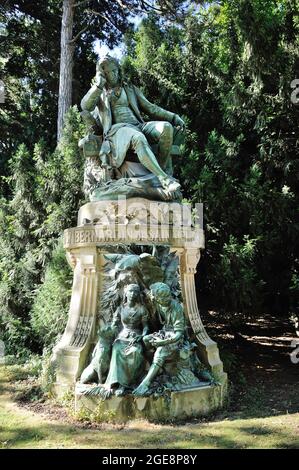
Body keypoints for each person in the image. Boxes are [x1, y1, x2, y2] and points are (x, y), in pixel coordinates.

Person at [81, 55, 185, 195]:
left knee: (166, 128)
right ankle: (164, 180)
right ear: (102, 74)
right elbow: (85, 106)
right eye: (107, 72)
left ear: (119, 70)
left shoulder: (129, 88)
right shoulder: (100, 93)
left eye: (114, 70)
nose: (113, 75)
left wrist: (173, 117)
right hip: (118, 130)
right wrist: (98, 84)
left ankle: (158, 171)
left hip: (138, 125)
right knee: (138, 138)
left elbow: (151, 108)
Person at [133, 282, 185, 396]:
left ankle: (145, 383)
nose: (167, 299)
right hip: (164, 333)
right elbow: (146, 291)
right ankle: (155, 368)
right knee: (146, 340)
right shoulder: (156, 302)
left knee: (161, 350)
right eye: (162, 298)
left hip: (175, 337)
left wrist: (164, 342)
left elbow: (179, 333)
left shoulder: (176, 307)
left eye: (167, 297)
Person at [103, 283, 149, 397]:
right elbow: (114, 325)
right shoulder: (120, 308)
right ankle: (118, 384)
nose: (132, 294)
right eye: (130, 291)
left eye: (135, 292)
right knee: (117, 350)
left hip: (136, 336)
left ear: (138, 294)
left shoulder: (142, 309)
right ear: (126, 293)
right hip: (122, 337)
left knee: (136, 352)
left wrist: (142, 336)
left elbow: (146, 326)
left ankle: (131, 382)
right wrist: (110, 330)